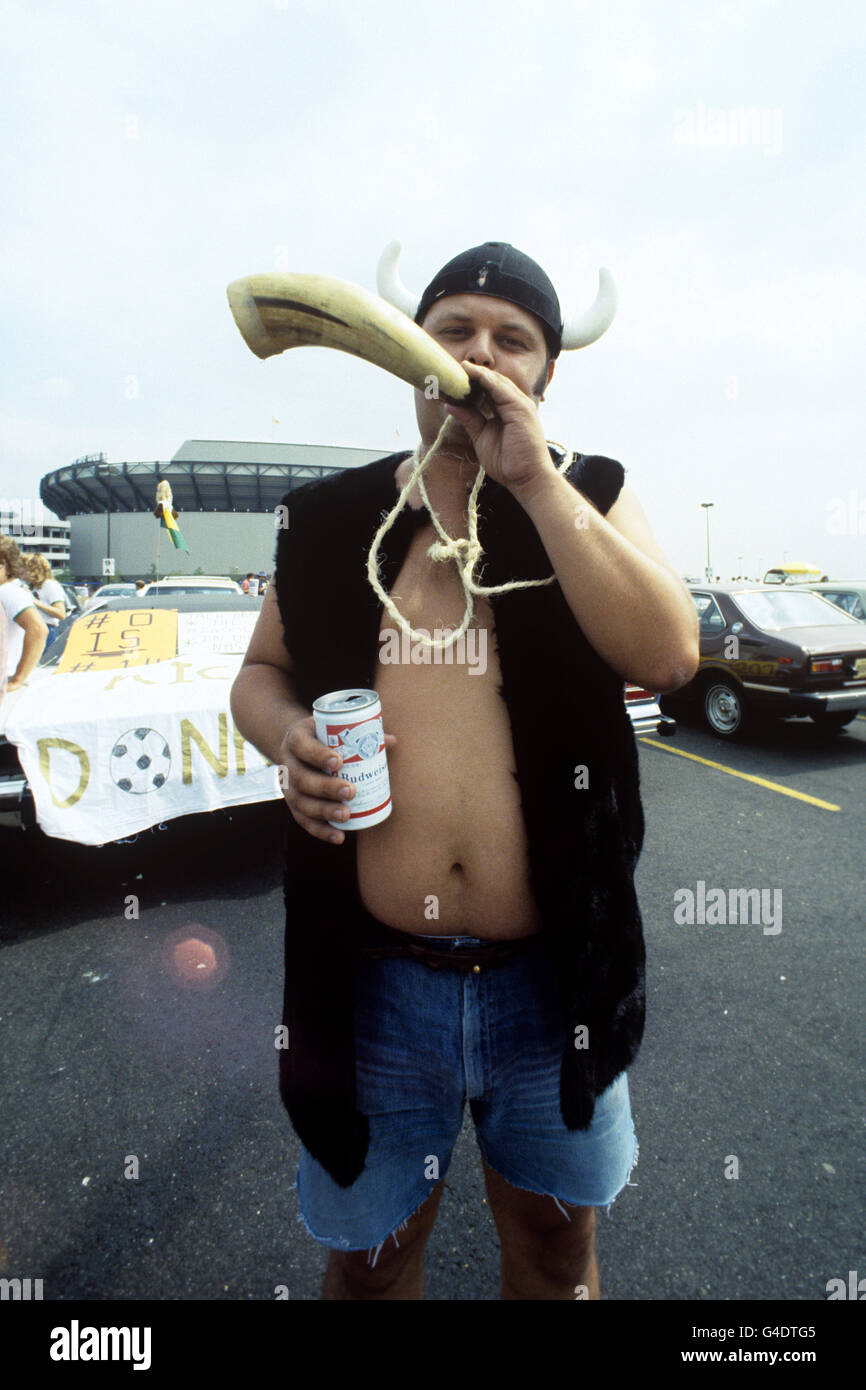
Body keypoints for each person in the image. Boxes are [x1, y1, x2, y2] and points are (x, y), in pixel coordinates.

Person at [230, 240, 699, 1301]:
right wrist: (286, 737)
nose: (479, 353)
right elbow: (259, 673)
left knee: (554, 1253)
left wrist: (530, 476)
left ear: (541, 376)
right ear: (409, 355)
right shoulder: (327, 520)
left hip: (554, 985)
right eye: (453, 330)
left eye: (512, 338)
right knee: (368, 1265)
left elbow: (667, 655)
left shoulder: (589, 494)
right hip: (371, 984)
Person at [0, 537, 48, 693]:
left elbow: (38, 630)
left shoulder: (7, 592)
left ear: (8, 567)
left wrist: (17, 680)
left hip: (5, 678)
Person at [24, 553, 69, 645]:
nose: (19, 570)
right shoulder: (32, 587)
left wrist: (34, 601)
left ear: (33, 570)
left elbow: (61, 613)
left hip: (45, 630)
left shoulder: (50, 586)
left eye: (23, 567)